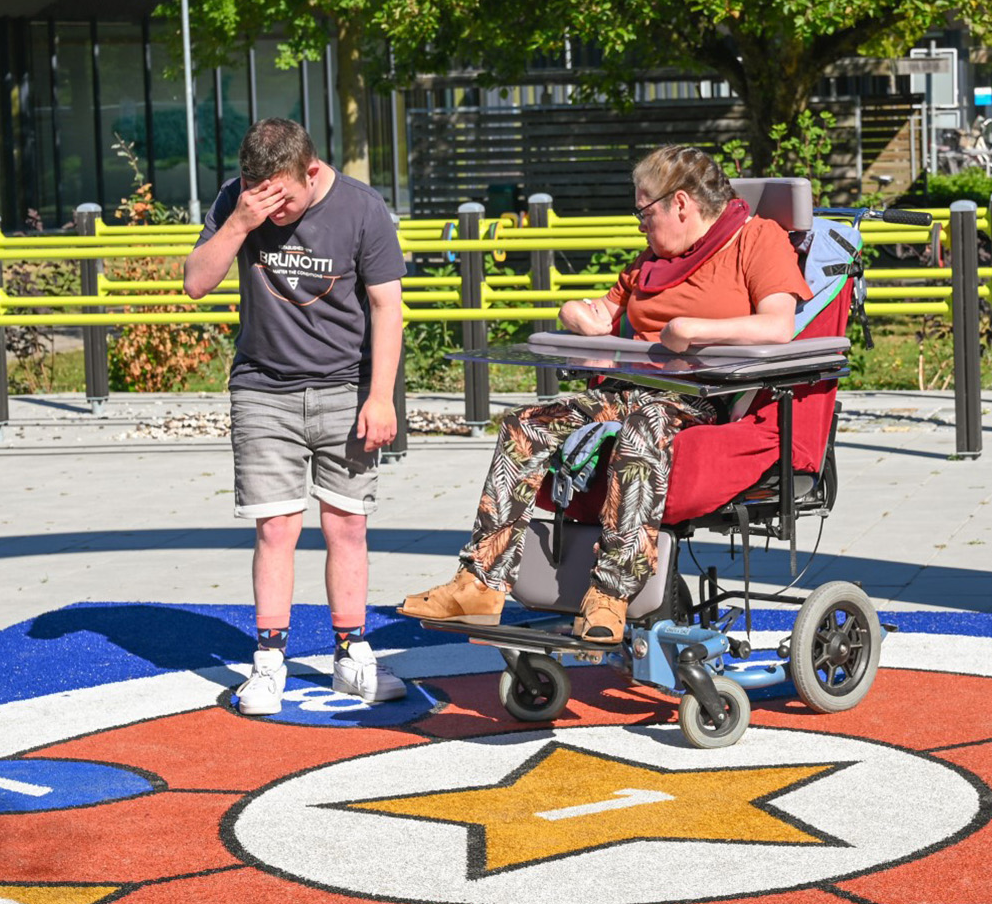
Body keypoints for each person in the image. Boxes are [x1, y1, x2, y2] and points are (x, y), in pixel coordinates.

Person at [399, 145, 813, 643]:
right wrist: (578, 313)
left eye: (644, 211)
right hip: (629, 391)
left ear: (680, 204)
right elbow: (605, 308)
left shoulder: (757, 239)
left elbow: (779, 325)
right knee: (525, 423)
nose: (639, 223)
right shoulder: (655, 261)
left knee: (645, 426)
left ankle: (611, 594)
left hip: (703, 398)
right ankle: (480, 583)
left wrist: (693, 330)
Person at [184, 118, 408, 715]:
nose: (274, 210)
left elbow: (388, 307)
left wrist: (381, 395)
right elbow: (195, 284)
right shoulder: (241, 201)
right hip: (263, 387)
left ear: (311, 171)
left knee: (347, 524)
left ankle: (352, 654)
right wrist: (239, 221)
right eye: (262, 195)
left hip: (346, 389)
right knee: (276, 528)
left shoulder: (362, 208)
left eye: (283, 197)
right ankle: (268, 663)